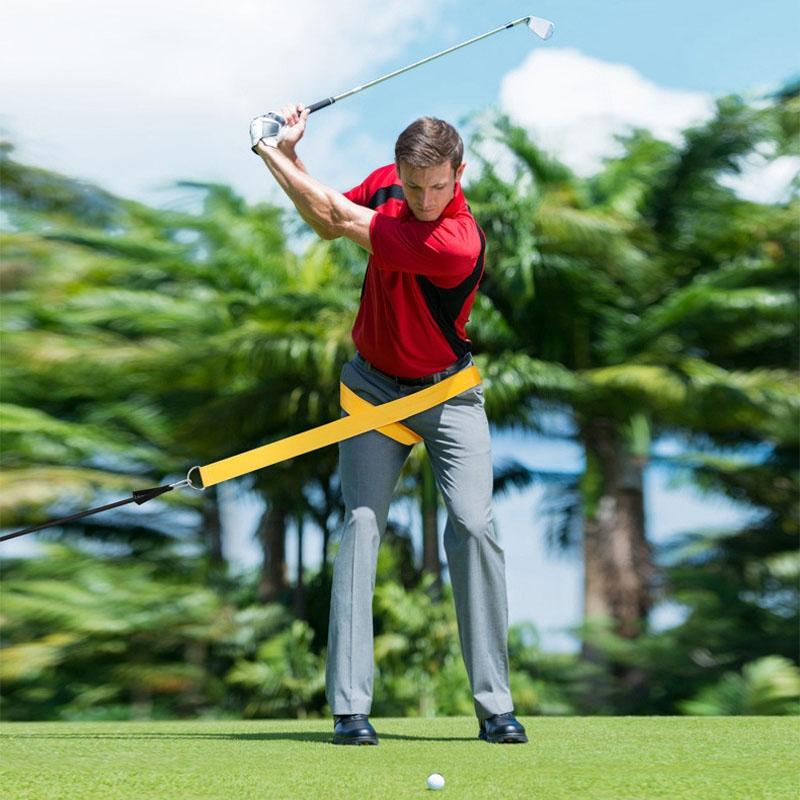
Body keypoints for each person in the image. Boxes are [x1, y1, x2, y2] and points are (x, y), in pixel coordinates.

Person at [251, 104, 527, 746]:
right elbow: (325, 218)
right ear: (398, 172)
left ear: (460, 173)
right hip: (373, 390)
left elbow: (341, 218)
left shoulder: (455, 241)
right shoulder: (385, 187)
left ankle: (495, 707)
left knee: (474, 527)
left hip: (448, 396)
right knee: (361, 525)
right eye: (414, 185)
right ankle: (350, 711)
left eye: (439, 186)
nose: (426, 200)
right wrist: (287, 154)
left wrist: (266, 150)